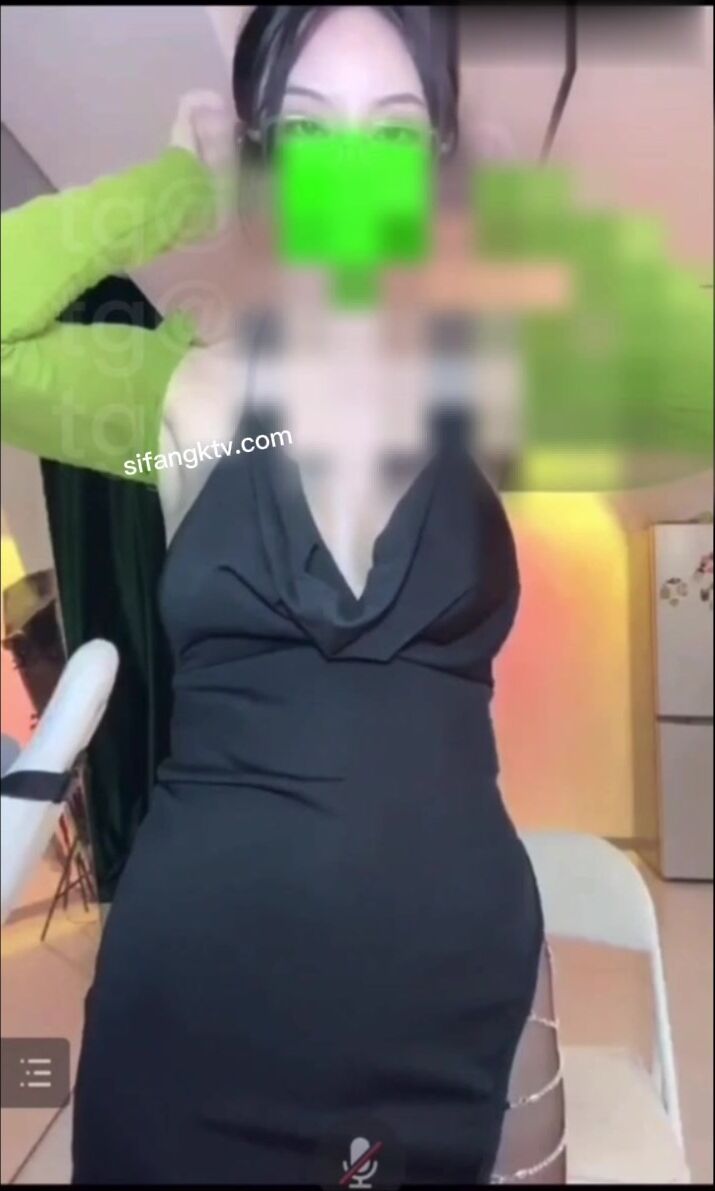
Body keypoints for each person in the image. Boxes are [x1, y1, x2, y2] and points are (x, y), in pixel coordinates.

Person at [1, 7, 565, 1184]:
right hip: (196, 1007)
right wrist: (168, 190)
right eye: (307, 133)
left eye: (393, 135)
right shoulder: (191, 407)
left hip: (450, 1004)